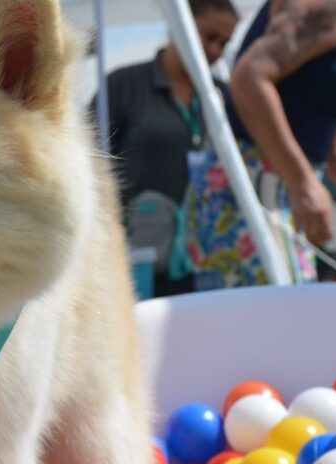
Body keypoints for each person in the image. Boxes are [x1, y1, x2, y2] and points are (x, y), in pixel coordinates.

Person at [187, 0, 336, 289]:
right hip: (253, 197)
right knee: (271, 326)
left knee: (288, 323)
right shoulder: (325, 6)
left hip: (276, 195)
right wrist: (303, 182)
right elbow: (249, 77)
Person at [94, 0, 239, 296]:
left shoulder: (222, 97)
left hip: (211, 263)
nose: (216, 51)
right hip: (140, 261)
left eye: (224, 43)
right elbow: (89, 166)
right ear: (179, 27)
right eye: (209, 37)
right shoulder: (123, 85)